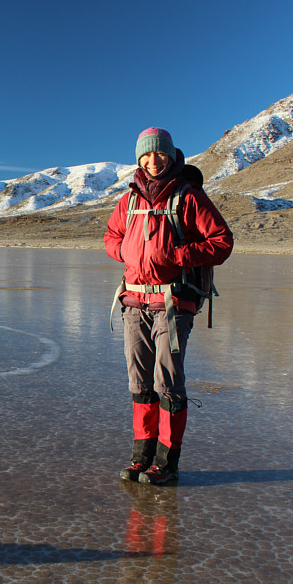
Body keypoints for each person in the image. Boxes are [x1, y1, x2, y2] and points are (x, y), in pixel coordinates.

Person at [104, 128, 233, 484]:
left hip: (172, 302)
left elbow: (221, 241)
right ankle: (140, 458)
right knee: (140, 381)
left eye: (159, 154)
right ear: (139, 159)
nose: (152, 161)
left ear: (171, 155)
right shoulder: (129, 200)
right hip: (134, 300)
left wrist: (182, 255)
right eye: (146, 156)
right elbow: (111, 236)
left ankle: (166, 463)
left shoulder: (187, 197)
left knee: (168, 381)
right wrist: (124, 251)